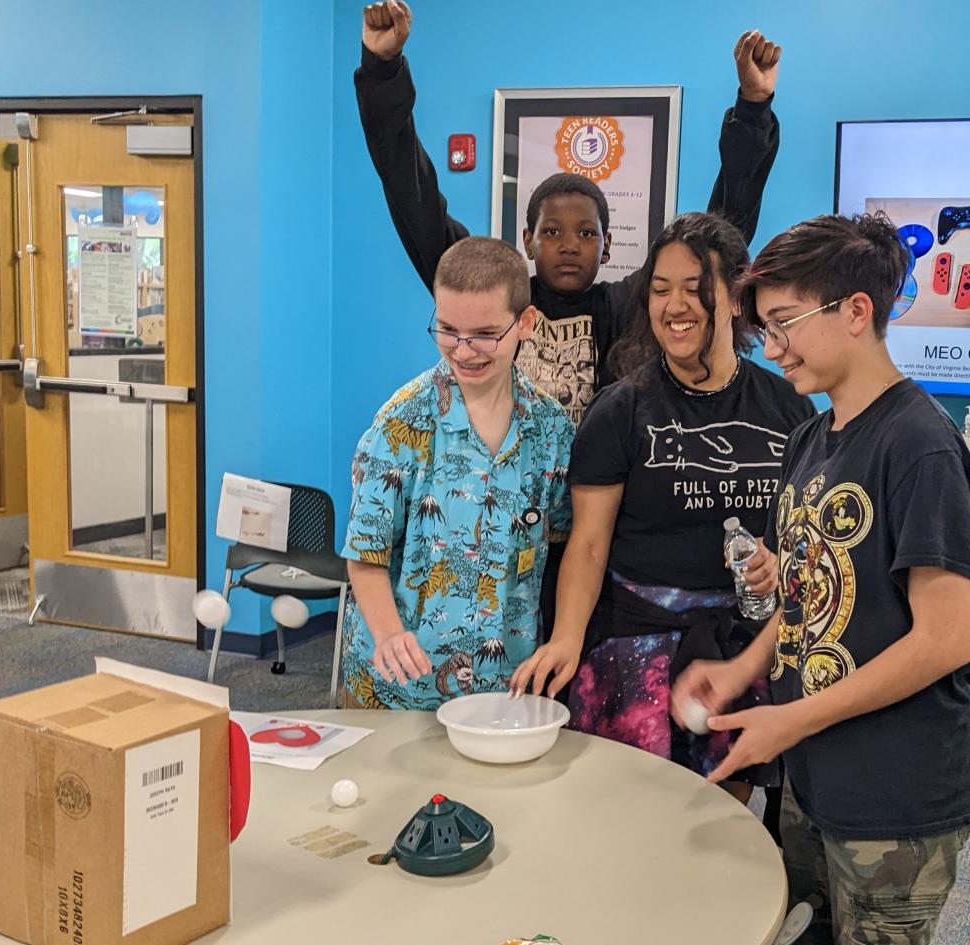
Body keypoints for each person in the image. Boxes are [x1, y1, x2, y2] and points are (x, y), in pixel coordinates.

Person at [672, 213, 970, 945]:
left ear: (855, 312)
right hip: (819, 776)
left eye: (784, 324)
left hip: (897, 795)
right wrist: (743, 667)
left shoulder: (919, 446)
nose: (772, 349)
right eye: (765, 329)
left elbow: (943, 640)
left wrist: (792, 719)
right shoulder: (812, 439)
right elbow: (809, 592)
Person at [509, 212, 816, 801]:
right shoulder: (621, 409)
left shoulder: (789, 408)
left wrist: (778, 559)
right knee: (634, 817)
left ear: (733, 298)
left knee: (722, 818)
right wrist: (568, 638)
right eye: (660, 289)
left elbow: (799, 533)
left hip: (742, 646)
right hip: (635, 644)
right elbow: (590, 543)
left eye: (695, 287)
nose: (676, 304)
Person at [357, 2, 783, 421]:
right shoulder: (495, 296)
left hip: (602, 487)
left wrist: (753, 108)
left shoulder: (625, 305)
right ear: (527, 239)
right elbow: (412, 196)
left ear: (608, 245)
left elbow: (719, 238)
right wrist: (382, 70)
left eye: (586, 234)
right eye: (552, 232)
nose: (568, 246)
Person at [341, 237, 573, 710]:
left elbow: (563, 540)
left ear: (525, 324)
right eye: (447, 330)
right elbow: (366, 554)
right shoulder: (401, 424)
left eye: (486, 334)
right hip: (400, 688)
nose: (464, 350)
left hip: (505, 683)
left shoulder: (551, 428)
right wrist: (388, 635)